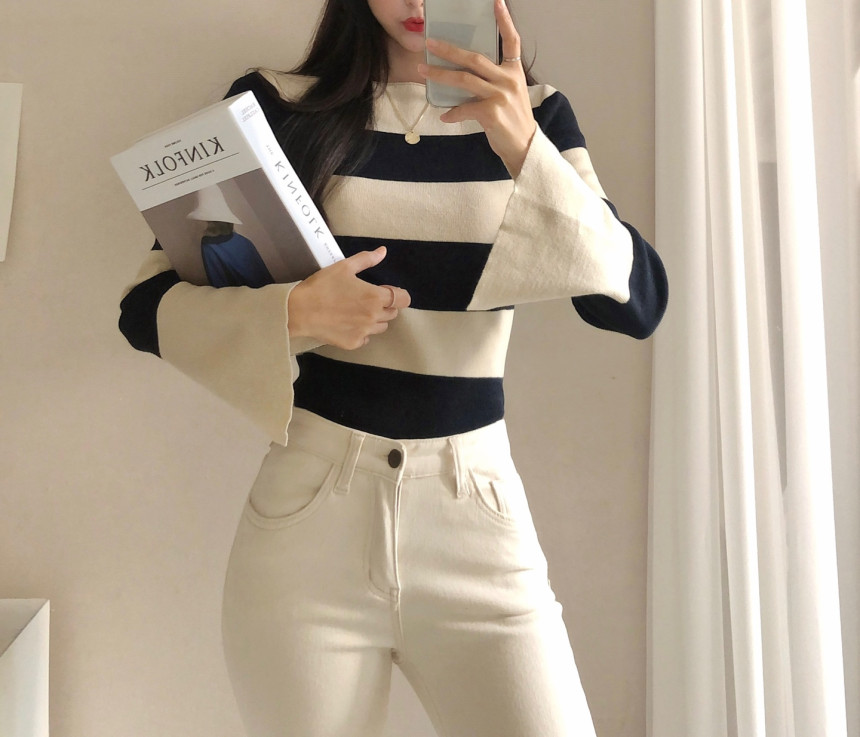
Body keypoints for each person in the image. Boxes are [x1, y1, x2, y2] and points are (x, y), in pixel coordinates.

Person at [118, 0, 669, 734]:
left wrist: (522, 146)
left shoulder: (534, 113)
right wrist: (294, 314)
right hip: (308, 519)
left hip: (476, 511)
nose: (416, 2)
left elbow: (635, 303)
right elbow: (145, 307)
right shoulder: (277, 106)